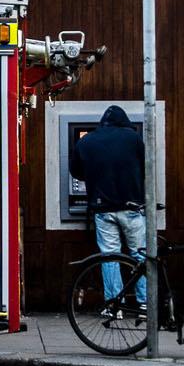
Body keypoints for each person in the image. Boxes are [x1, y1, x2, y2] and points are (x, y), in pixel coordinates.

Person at [69, 105, 147, 314]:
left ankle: (114, 306)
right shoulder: (134, 138)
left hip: (103, 208)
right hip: (132, 207)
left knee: (110, 256)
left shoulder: (86, 141)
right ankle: (144, 302)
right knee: (140, 255)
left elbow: (76, 172)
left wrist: (97, 178)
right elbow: (146, 167)